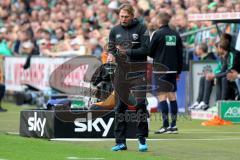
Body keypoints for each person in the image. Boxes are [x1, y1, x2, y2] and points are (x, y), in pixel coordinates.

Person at [108, 3, 149, 152]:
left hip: (138, 71)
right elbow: (111, 49)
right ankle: (120, 142)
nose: (123, 19)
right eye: (121, 16)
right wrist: (111, 55)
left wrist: (127, 51)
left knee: (140, 105)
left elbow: (146, 49)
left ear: (132, 16)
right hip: (121, 73)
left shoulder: (142, 28)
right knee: (119, 107)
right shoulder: (114, 30)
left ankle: (142, 138)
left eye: (126, 16)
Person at [149, 12, 183, 134]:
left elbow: (150, 51)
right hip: (173, 69)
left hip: (160, 69)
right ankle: (173, 126)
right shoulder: (176, 34)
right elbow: (180, 54)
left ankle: (165, 125)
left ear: (159, 22)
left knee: (162, 96)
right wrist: (179, 70)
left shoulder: (157, 34)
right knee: (172, 96)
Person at [189, 43, 216, 110]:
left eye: (196, 49)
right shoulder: (201, 59)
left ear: (201, 50)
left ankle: (205, 103)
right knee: (202, 78)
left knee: (206, 78)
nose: (195, 51)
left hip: (215, 78)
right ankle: (199, 101)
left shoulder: (210, 59)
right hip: (207, 78)